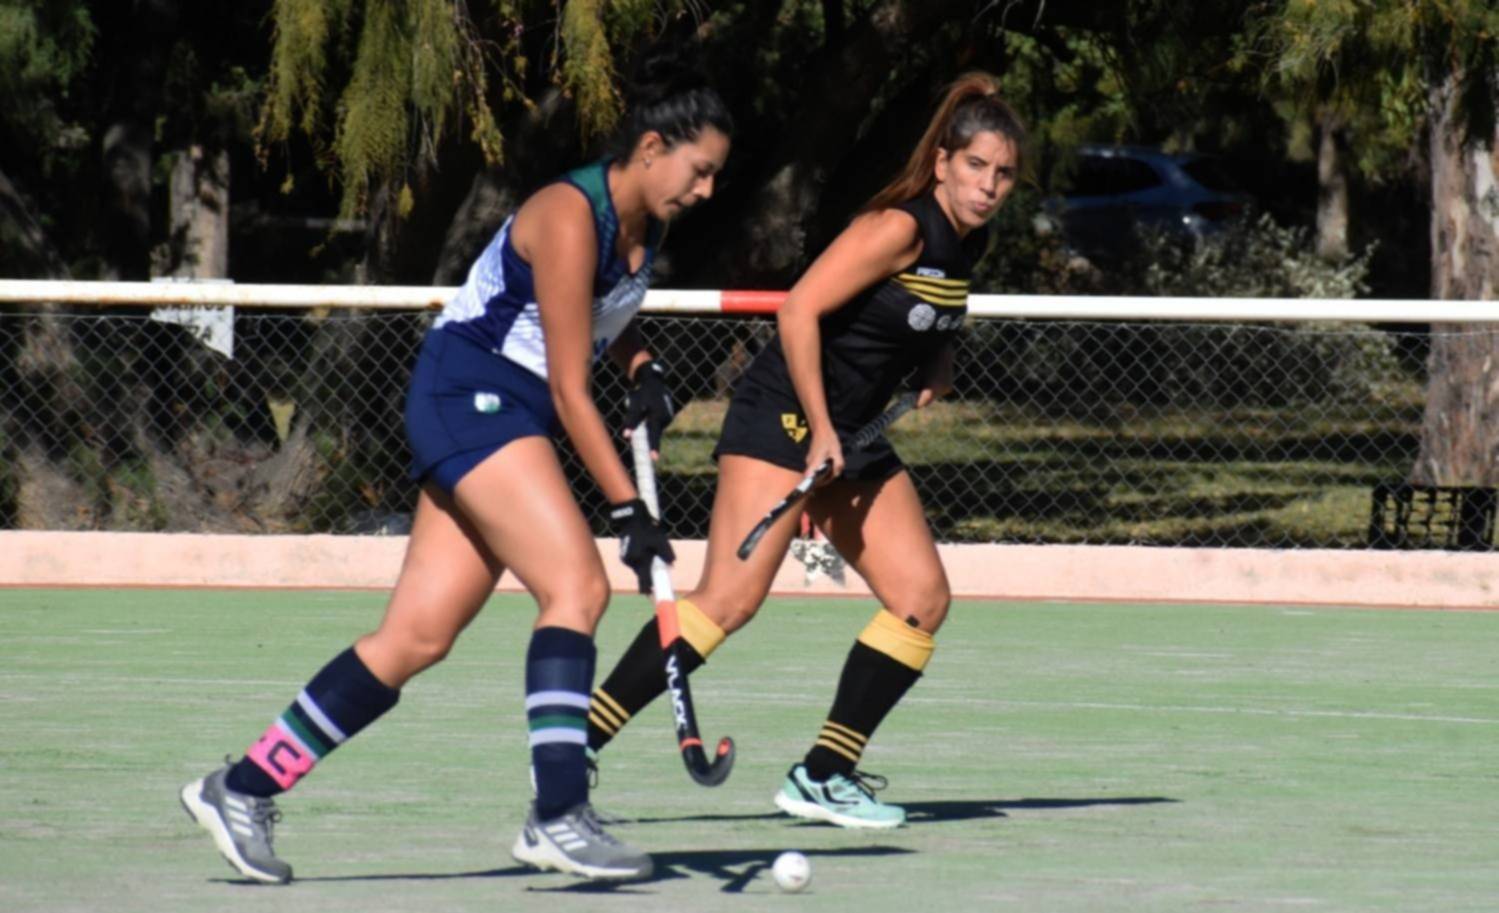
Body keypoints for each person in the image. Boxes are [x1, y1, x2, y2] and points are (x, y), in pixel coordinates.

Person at [178, 61, 732, 883]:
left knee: (415, 637)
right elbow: (570, 386)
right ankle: (558, 813)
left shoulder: (642, 224)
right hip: (472, 395)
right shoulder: (569, 214)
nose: (708, 189)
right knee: (577, 588)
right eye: (700, 169)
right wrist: (628, 509)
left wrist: (641, 362)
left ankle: (241, 787)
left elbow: (591, 315)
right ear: (651, 148)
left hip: (506, 409)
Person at [584, 73, 1024, 829]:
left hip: (850, 434)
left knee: (921, 599)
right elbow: (798, 312)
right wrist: (820, 428)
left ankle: (823, 775)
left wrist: (938, 357)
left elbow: (927, 304)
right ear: (943, 162)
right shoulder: (898, 227)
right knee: (727, 601)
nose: (988, 186)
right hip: (786, 415)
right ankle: (576, 744)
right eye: (976, 166)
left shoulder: (964, 238)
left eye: (1004, 174)